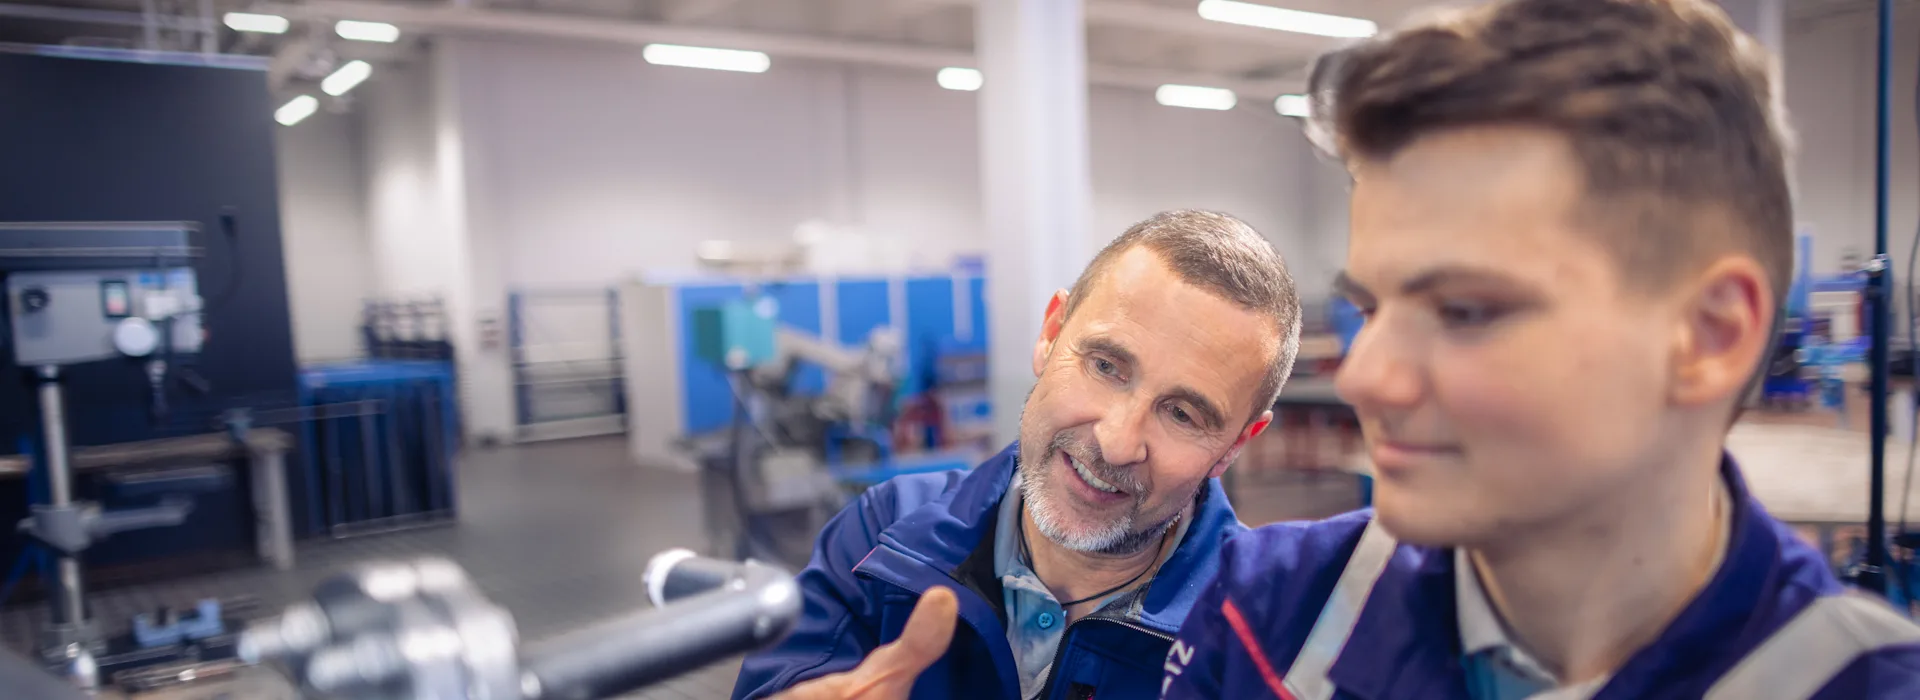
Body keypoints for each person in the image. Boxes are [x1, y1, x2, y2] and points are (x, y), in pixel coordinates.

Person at [1160, 1, 1920, 698]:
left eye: (1464, 310)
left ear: (1709, 336)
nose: (1367, 377)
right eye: (1371, 306)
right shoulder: (1270, 615)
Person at [732, 210, 1303, 700]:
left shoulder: (1263, 640)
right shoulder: (884, 535)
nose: (1116, 442)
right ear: (1051, 333)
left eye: (1182, 414)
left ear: (1235, 445)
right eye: (1105, 367)